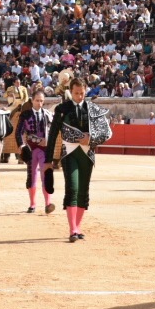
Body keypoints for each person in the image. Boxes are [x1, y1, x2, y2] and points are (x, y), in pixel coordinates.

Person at [47, 72, 100, 243]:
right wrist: (48, 160)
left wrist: (91, 138)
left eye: (82, 93)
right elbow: (53, 134)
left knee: (83, 190)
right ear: (71, 91)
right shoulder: (62, 109)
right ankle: (72, 229)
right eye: (76, 93)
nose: (79, 96)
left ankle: (77, 226)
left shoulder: (92, 109)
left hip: (87, 154)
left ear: (85, 91)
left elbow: (102, 132)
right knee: (73, 187)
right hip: (69, 153)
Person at [19, 86, 56, 214]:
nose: (39, 103)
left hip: (44, 150)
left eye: (41, 101)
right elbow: (19, 132)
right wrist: (22, 146)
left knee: (46, 175)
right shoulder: (25, 115)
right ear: (32, 100)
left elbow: (53, 131)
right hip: (31, 149)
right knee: (32, 176)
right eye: (37, 101)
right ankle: (32, 204)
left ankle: (48, 203)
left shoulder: (48, 114)